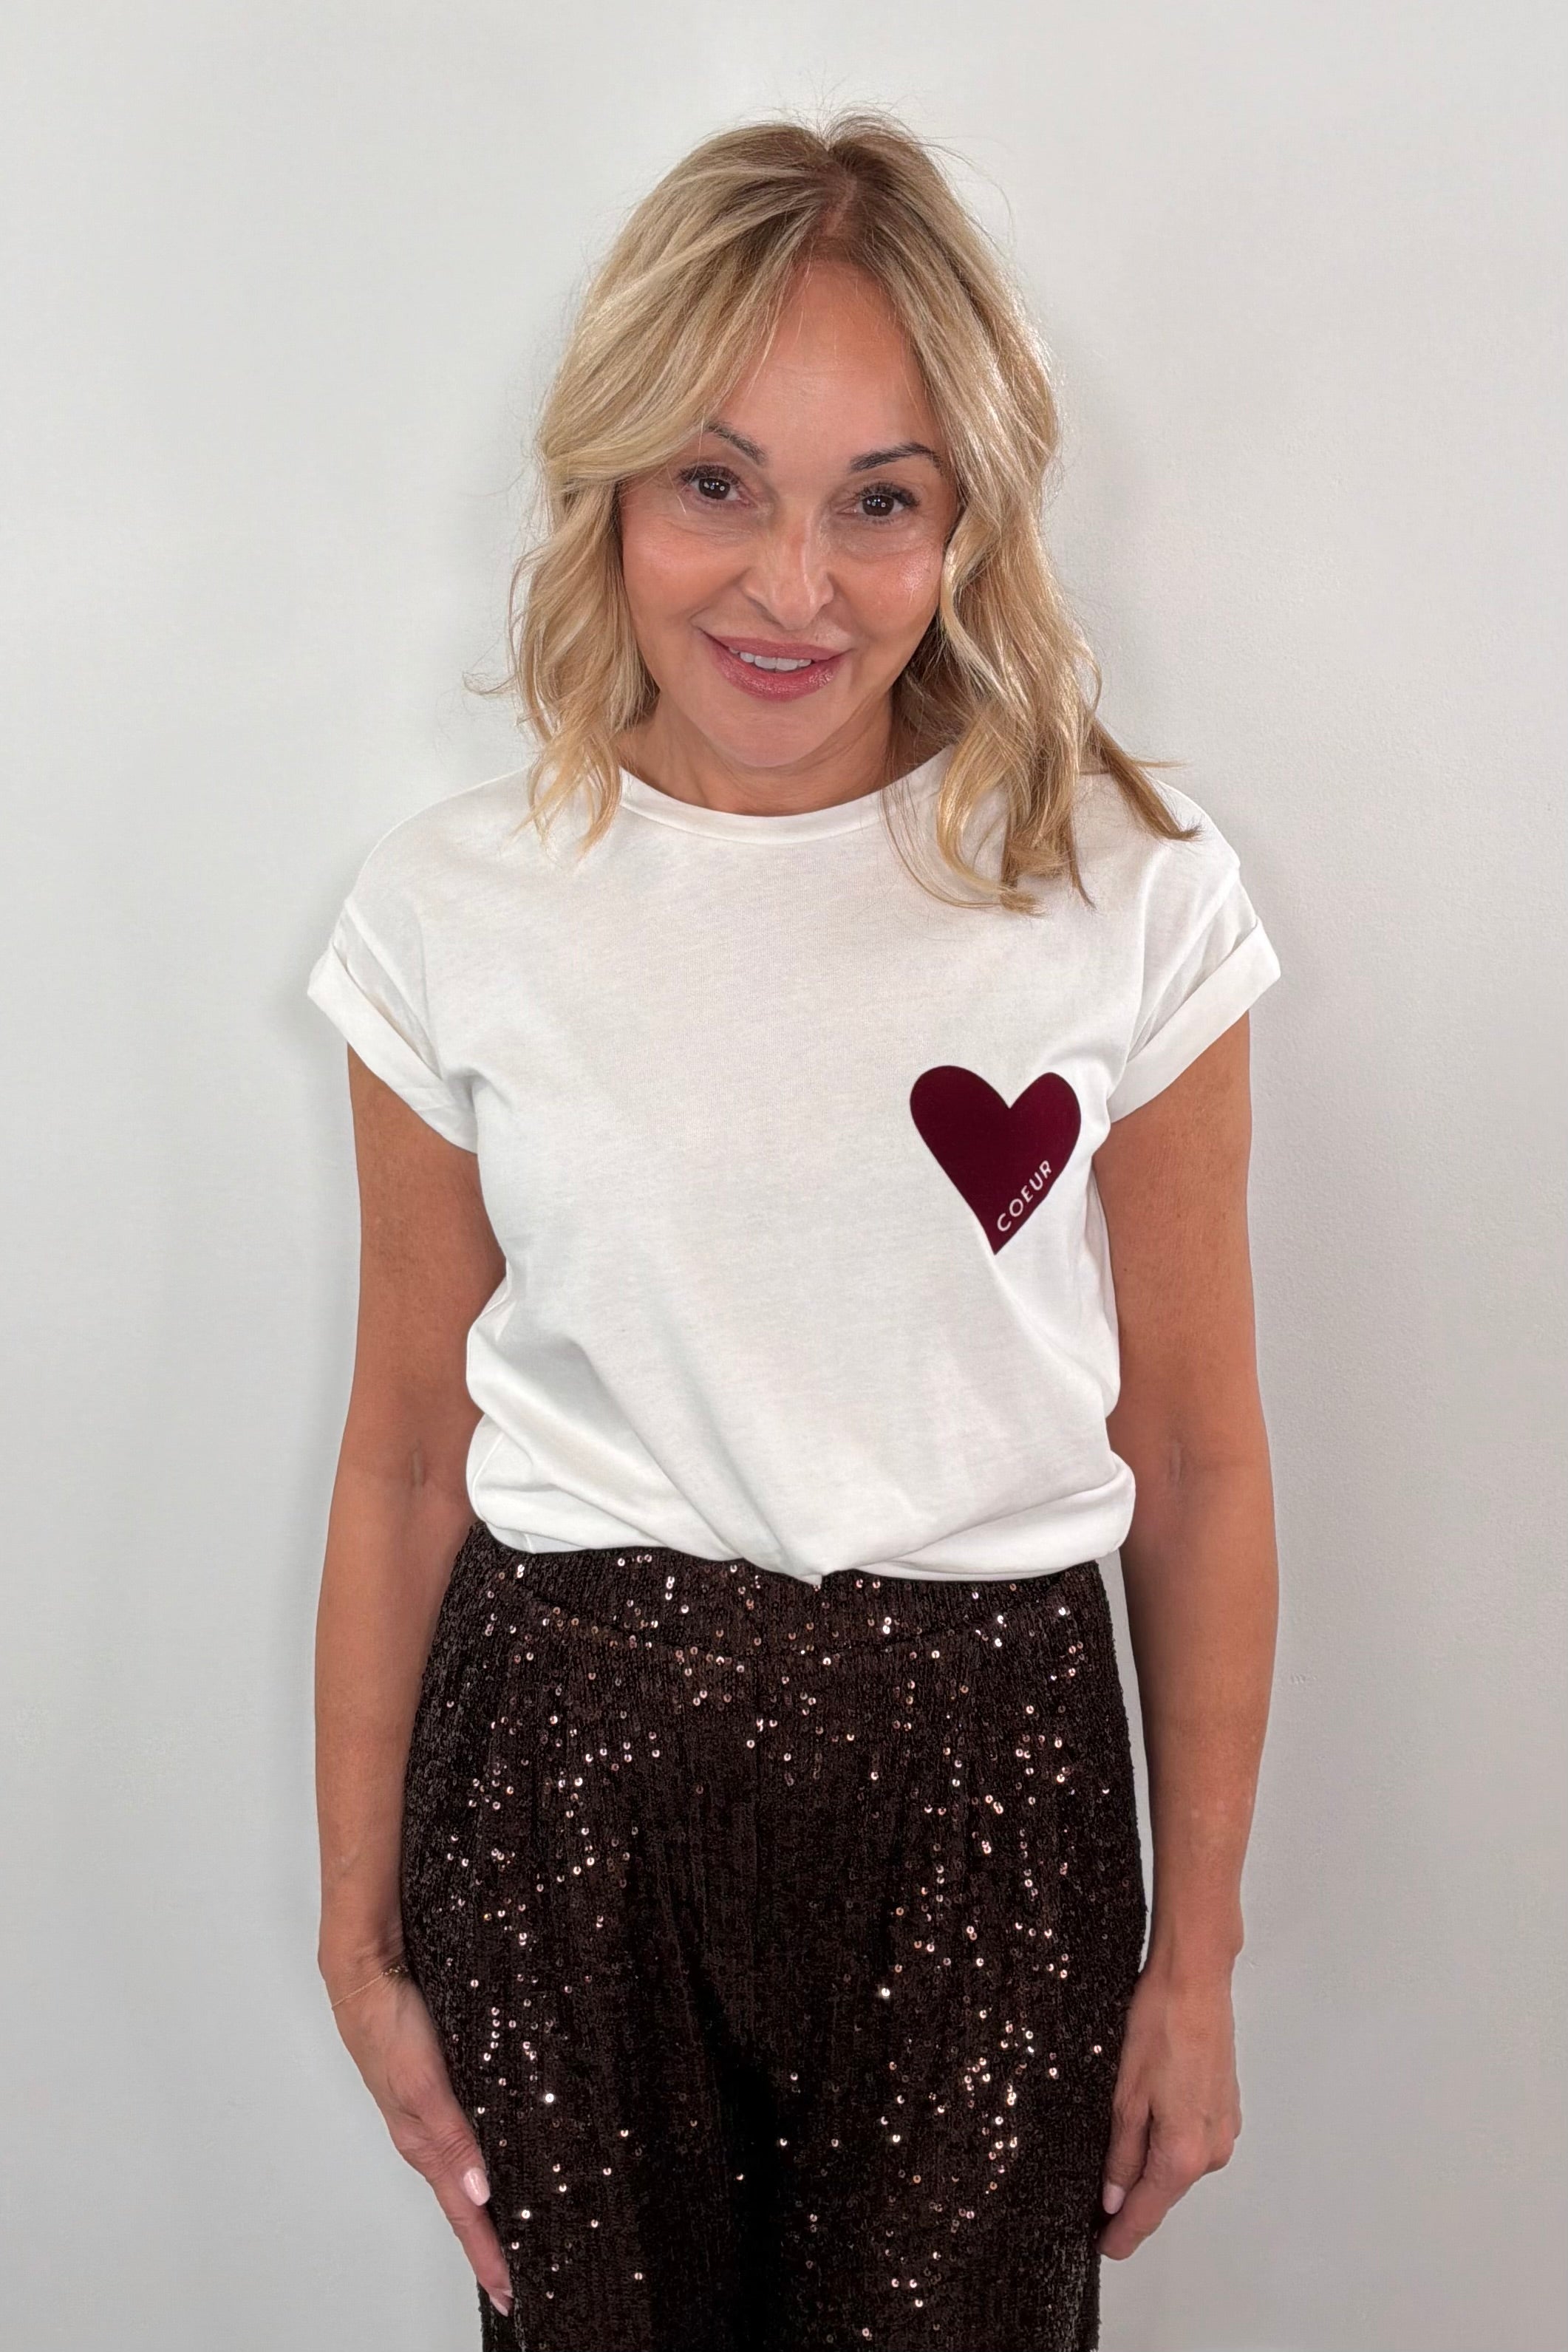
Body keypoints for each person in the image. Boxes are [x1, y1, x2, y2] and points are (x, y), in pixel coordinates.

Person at [304, 108, 1281, 2352]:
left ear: (969, 522)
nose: (787, 586)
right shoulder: (454, 912)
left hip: (993, 1792)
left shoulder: (1125, 893)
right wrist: (357, 1945)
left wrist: (1196, 1956)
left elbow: (1204, 1456)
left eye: (879, 501)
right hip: (565, 1788)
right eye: (715, 483)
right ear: (616, 490)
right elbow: (399, 1454)